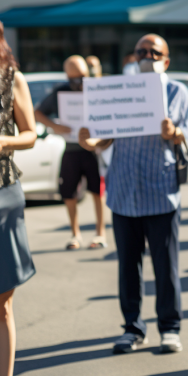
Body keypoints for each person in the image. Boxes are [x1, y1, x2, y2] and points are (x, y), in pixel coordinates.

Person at [78, 34, 188, 355]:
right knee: (128, 267)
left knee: (165, 267)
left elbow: (186, 132)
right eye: (141, 51)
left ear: (166, 60)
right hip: (123, 191)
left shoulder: (176, 91)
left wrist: (174, 133)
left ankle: (169, 328)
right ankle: (132, 328)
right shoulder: (120, 91)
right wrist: (89, 141)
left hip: (160, 191)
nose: (147, 56)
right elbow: (104, 140)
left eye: (154, 52)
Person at [35, 56, 107, 250]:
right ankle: (75, 234)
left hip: (93, 150)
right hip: (71, 149)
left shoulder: (96, 89)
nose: (78, 82)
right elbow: (37, 112)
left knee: (97, 191)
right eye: (73, 78)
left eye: (81, 77)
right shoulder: (61, 92)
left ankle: (100, 233)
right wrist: (55, 126)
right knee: (68, 192)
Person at [0, 21, 37, 376]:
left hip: (2, 194)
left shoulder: (12, 78)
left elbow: (29, 134)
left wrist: (2, 143)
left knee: (1, 302)